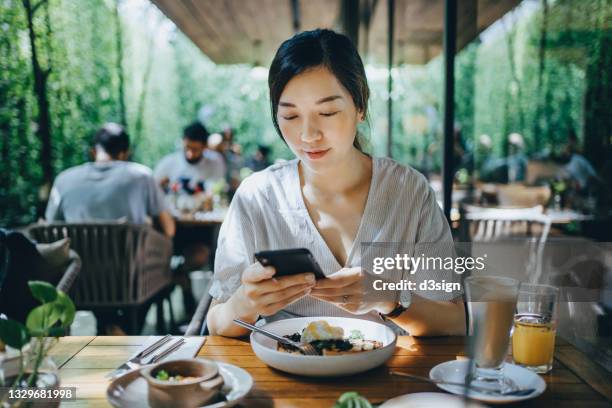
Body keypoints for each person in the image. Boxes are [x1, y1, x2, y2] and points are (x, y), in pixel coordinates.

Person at [206, 29, 465, 338]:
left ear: (360, 107)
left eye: (327, 112)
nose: (307, 135)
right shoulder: (257, 197)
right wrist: (243, 303)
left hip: (387, 378)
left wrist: (389, 299)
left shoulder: (408, 192)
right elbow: (217, 321)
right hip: (284, 376)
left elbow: (454, 320)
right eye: (290, 116)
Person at [45, 123, 175, 238]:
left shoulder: (64, 179)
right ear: (125, 153)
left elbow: (50, 226)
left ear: (94, 152)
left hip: (78, 263)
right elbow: (169, 230)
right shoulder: (142, 176)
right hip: (130, 264)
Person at [154, 122, 226, 193]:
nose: (190, 153)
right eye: (187, 147)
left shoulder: (215, 162)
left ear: (205, 147)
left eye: (195, 150)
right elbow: (154, 188)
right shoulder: (168, 163)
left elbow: (218, 189)